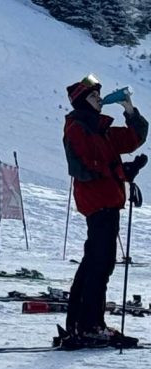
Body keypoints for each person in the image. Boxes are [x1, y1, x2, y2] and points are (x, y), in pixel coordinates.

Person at [61, 76, 148, 347]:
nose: (99, 98)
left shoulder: (100, 128)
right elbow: (86, 166)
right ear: (82, 101)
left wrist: (129, 108)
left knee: (94, 262)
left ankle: (79, 322)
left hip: (106, 201)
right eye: (93, 96)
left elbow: (134, 138)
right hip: (98, 202)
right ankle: (90, 325)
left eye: (98, 94)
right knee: (100, 263)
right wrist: (124, 172)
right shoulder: (78, 127)